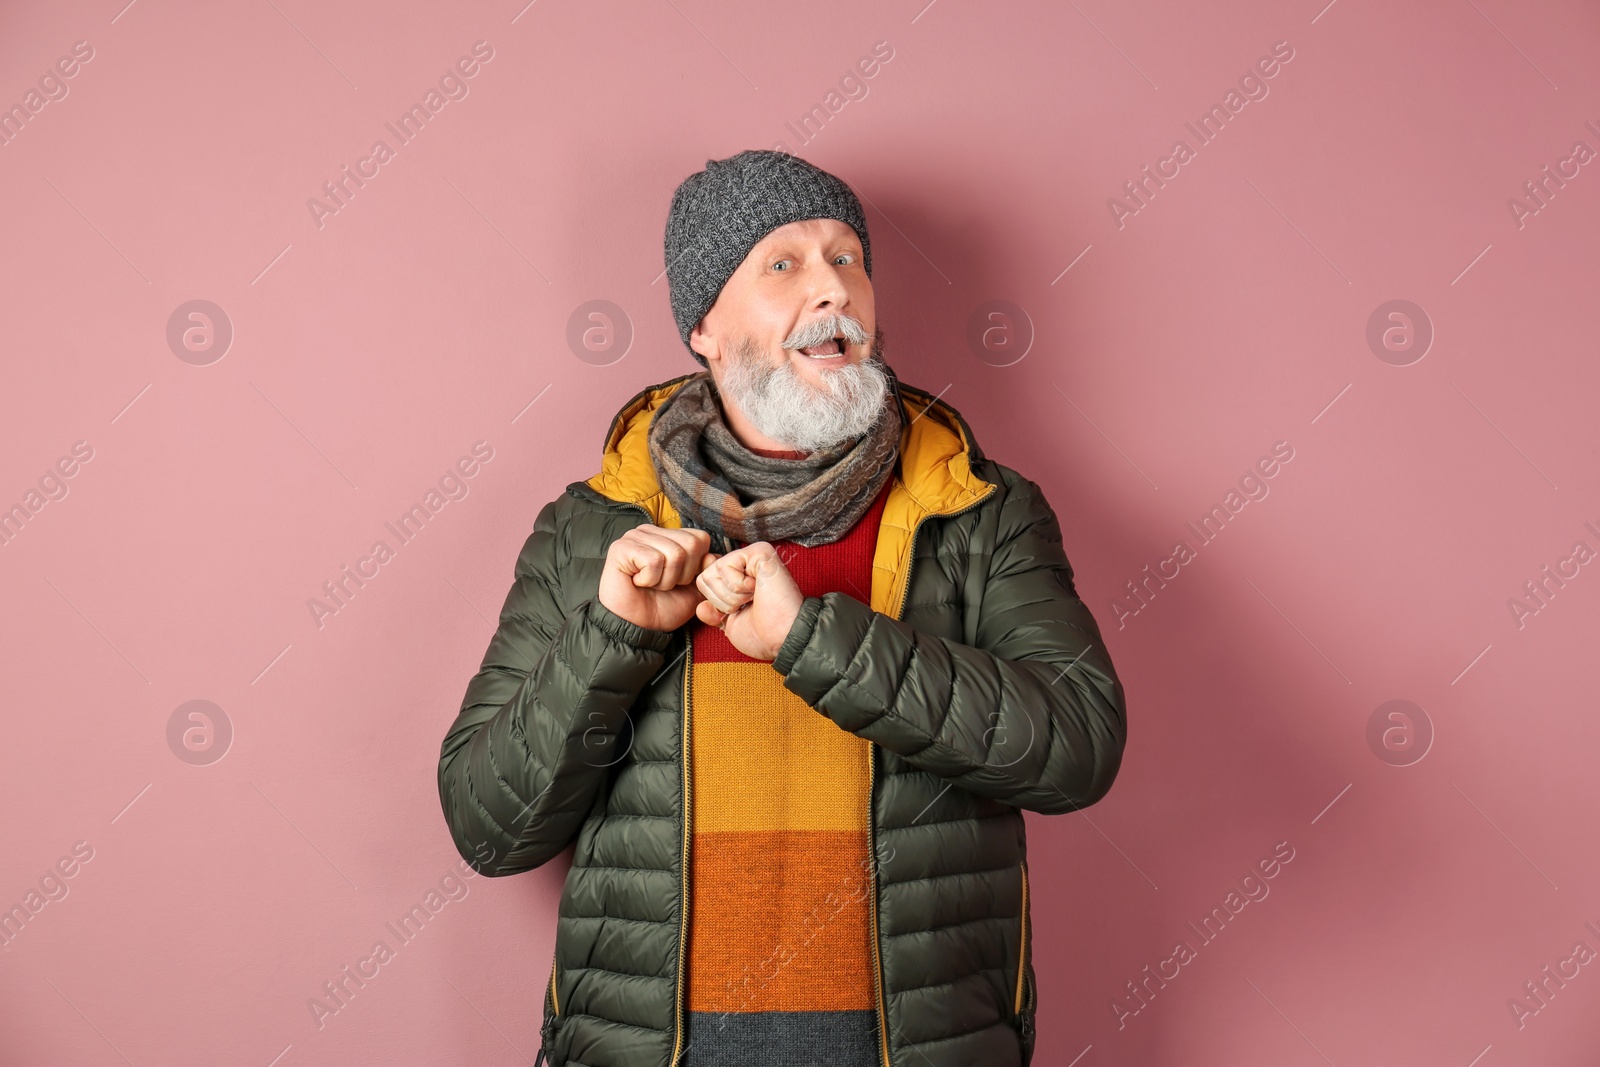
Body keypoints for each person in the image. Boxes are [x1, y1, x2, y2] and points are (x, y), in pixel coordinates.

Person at [436, 148, 1127, 1067]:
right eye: (784, 264)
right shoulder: (594, 528)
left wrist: (812, 639)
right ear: (705, 328)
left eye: (848, 259)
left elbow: (1078, 749)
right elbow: (491, 828)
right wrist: (612, 638)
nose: (834, 291)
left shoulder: (977, 510)